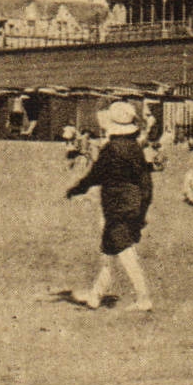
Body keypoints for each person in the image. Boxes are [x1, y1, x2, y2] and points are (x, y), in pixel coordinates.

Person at [64, 101, 154, 312]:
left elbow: (95, 175)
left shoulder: (111, 149)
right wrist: (142, 211)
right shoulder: (135, 149)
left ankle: (143, 298)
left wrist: (76, 189)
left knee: (123, 252)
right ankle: (95, 296)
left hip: (116, 208)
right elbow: (146, 183)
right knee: (109, 251)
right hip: (134, 206)